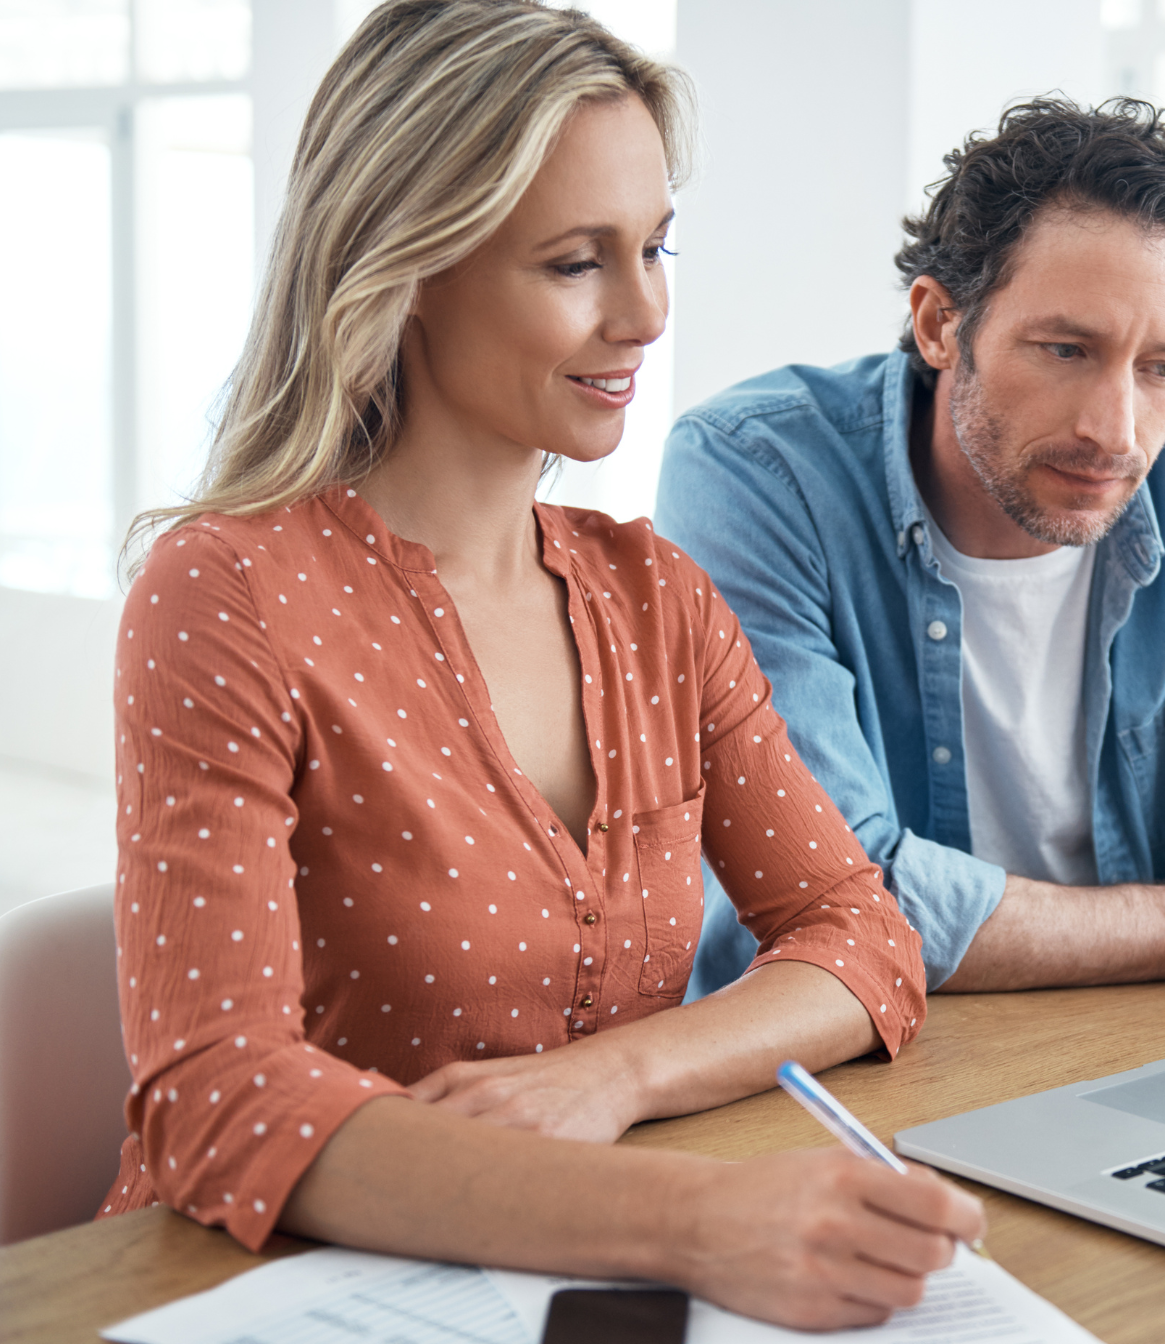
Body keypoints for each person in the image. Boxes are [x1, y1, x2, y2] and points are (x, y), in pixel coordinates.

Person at [103, 1, 980, 1329]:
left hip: (559, 1288)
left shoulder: (653, 599)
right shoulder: (227, 592)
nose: (644, 311)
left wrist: (614, 1078)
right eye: (576, 262)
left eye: (654, 247)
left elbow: (860, 941)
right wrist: (691, 1225)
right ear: (402, 266)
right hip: (280, 1293)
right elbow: (216, 1099)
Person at [657, 98, 1165, 1098]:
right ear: (938, 323)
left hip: (1141, 1066)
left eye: (1161, 369)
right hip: (840, 1074)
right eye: (1065, 350)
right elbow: (839, 895)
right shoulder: (756, 473)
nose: (1116, 430)